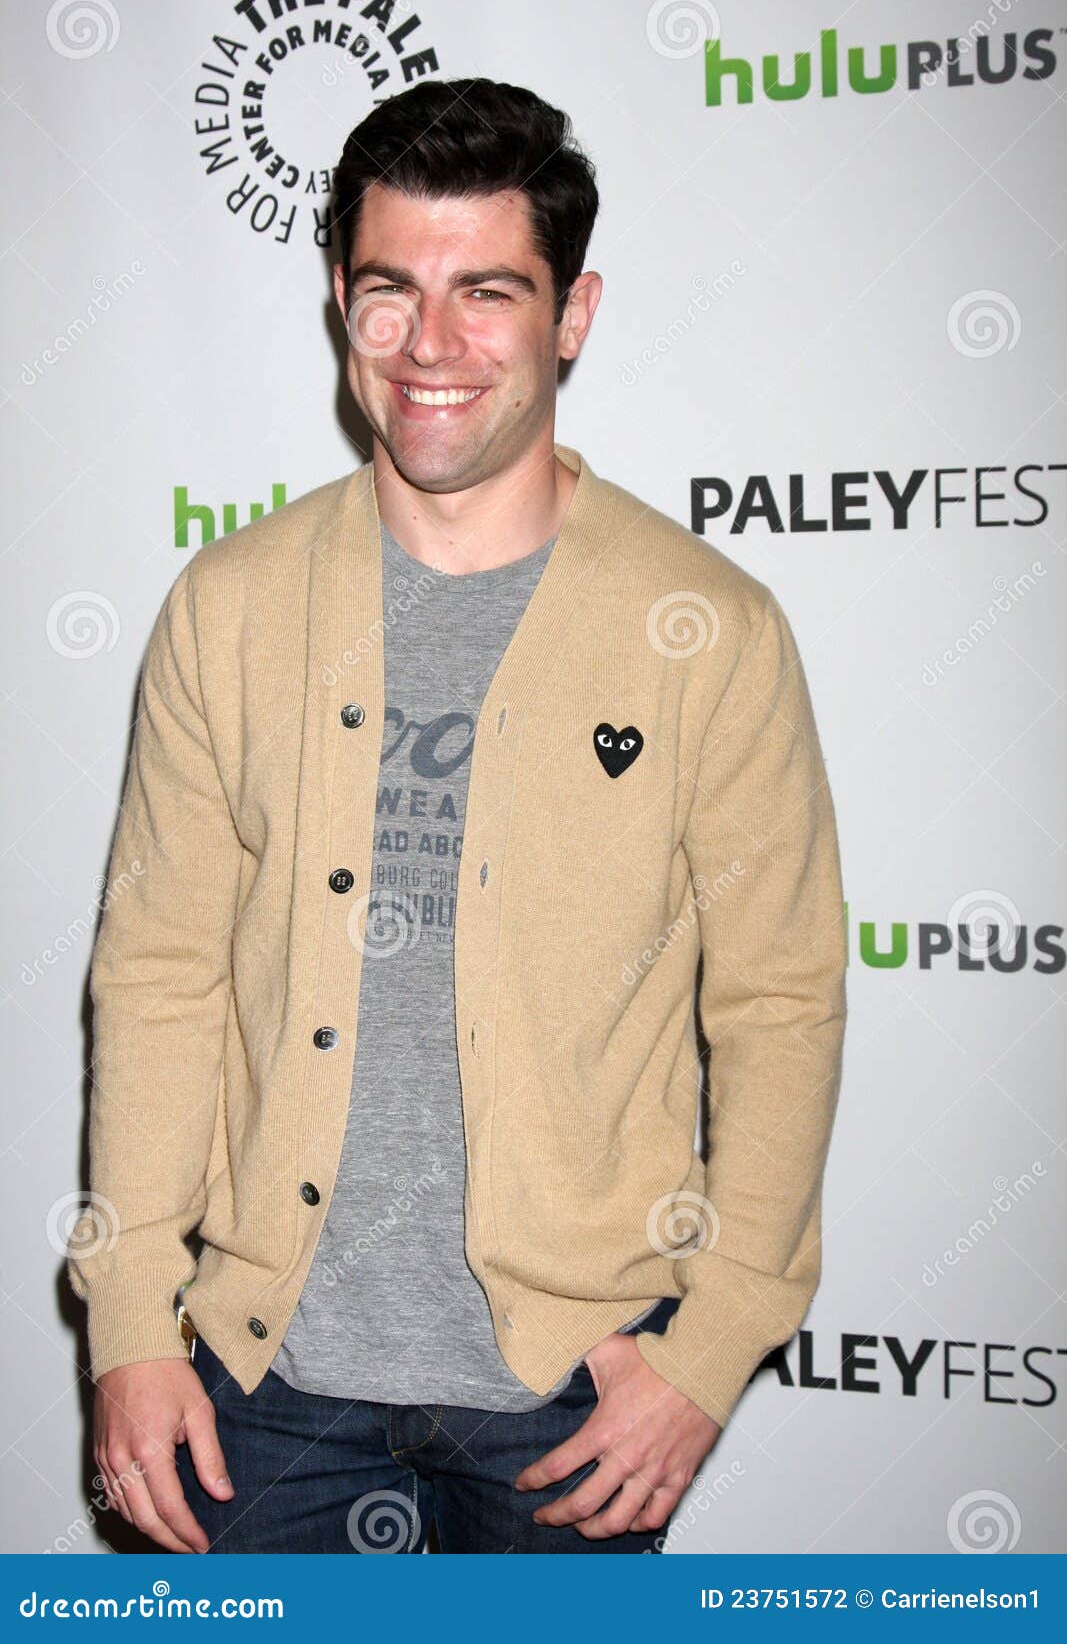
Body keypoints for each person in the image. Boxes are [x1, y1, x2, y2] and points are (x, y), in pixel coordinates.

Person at [70, 77, 848, 1554]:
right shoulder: (227, 611)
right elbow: (160, 972)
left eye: (488, 292)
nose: (432, 346)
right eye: (390, 292)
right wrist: (127, 1321)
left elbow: (781, 1002)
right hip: (259, 1379)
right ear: (339, 304)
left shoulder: (708, 628)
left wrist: (712, 1341)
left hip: (571, 1391)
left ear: (573, 312)